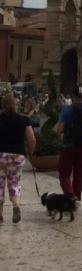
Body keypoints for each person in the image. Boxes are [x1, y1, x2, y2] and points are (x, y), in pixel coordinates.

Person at [55, 86, 82, 201]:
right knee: (79, 175)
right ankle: (77, 199)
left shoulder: (68, 110)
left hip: (69, 145)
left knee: (64, 174)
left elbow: (60, 130)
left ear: (72, 96)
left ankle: (71, 196)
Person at [0, 93, 36, 223]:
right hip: (17, 155)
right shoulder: (23, 119)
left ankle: (0, 214)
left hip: (0, 155)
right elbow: (32, 139)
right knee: (14, 183)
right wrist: (30, 151)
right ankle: (16, 204)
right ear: (16, 104)